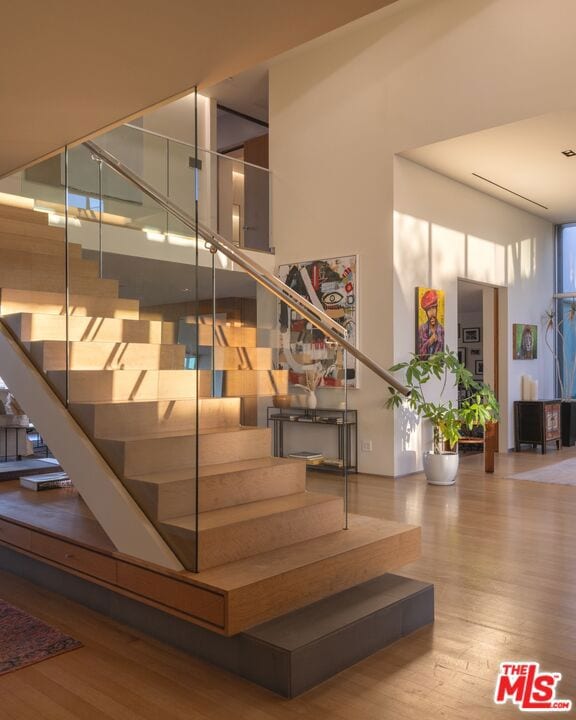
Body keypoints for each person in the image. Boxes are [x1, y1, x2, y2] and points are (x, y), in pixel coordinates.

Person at [417, 289, 445, 358]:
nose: (432, 313)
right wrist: (430, 341)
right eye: (429, 310)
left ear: (437, 308)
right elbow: (419, 355)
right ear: (426, 312)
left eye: (433, 308)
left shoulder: (441, 329)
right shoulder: (422, 329)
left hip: (438, 366)